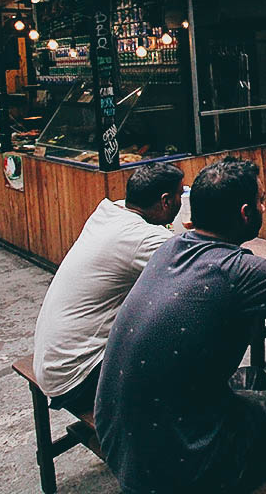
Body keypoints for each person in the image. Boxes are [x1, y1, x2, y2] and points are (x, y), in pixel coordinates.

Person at [95, 158, 266, 494]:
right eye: (261, 200)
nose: (265, 206)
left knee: (254, 378)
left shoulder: (169, 246)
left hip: (117, 439)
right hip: (177, 468)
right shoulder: (244, 270)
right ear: (246, 213)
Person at [31, 162, 184, 415]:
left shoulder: (110, 212)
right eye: (180, 194)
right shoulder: (140, 238)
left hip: (52, 362)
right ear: (166, 201)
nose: (181, 201)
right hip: (78, 378)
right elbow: (199, 263)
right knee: (184, 335)